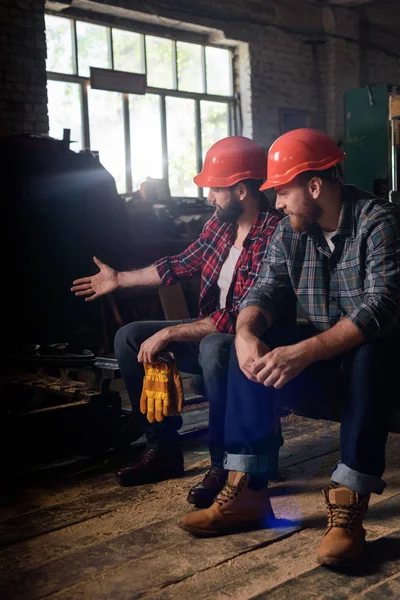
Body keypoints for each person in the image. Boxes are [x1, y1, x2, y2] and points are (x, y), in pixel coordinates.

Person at [180, 128, 400, 568]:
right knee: (246, 347)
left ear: (315, 186)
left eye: (282, 191)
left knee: (371, 349)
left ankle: (349, 505)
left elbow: (382, 307)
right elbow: (261, 292)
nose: (276, 203)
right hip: (333, 367)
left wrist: (304, 352)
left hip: (387, 371)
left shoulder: (380, 221)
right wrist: (245, 335)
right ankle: (249, 491)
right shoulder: (290, 232)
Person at [71, 136, 283, 491]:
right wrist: (119, 279)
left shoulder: (275, 233)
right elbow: (180, 265)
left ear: (242, 191)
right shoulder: (219, 225)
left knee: (214, 345)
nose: (209, 197)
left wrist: (171, 333)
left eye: (215, 189)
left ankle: (223, 465)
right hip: (211, 333)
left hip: (253, 343)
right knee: (129, 337)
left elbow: (239, 315)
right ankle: (162, 448)